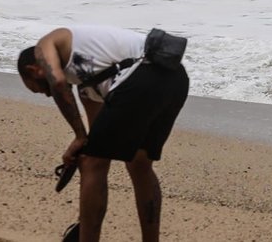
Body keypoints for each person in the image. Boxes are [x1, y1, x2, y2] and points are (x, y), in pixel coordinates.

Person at [18, 25, 189, 242]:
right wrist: (82, 142)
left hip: (142, 74)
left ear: (34, 70)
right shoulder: (87, 85)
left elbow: (58, 83)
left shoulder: (45, 44)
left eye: (39, 88)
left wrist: (80, 138)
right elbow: (97, 144)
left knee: (91, 163)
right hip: (175, 79)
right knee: (139, 163)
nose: (46, 94)